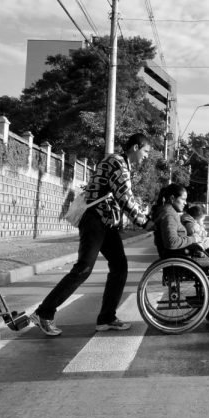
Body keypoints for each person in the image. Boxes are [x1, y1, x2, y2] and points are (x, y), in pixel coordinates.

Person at [30, 132, 154, 336]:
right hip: (95, 220)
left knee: (119, 267)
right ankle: (44, 313)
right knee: (84, 268)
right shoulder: (117, 163)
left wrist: (140, 218)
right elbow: (124, 197)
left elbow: (124, 197)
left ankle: (106, 318)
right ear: (135, 147)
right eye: (146, 151)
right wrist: (144, 221)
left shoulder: (123, 164)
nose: (147, 156)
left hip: (106, 223)